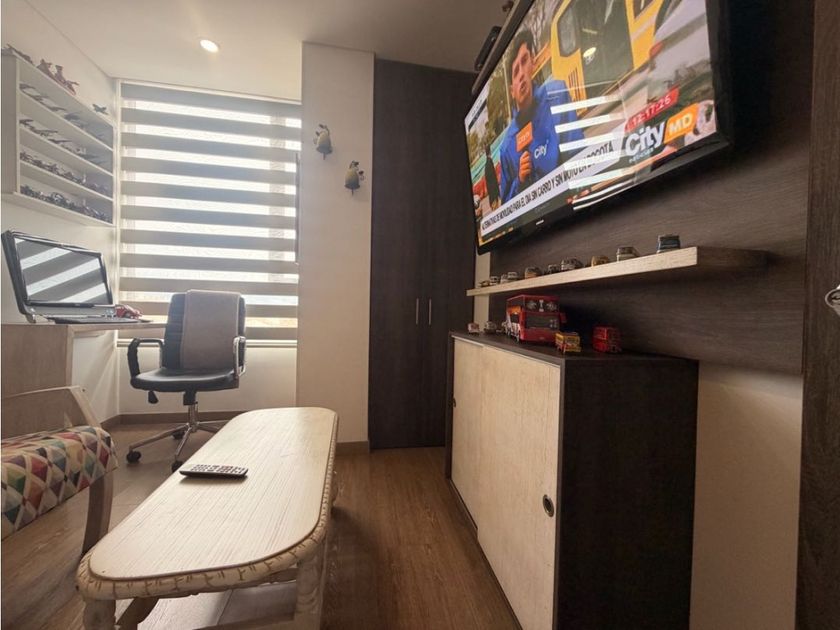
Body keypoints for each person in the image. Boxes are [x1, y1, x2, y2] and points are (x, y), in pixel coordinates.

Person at [498, 29, 584, 203]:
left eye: (524, 61)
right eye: (515, 71)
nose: (521, 74)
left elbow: (578, 153)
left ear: (533, 62)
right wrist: (520, 180)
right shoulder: (506, 147)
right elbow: (506, 206)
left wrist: (580, 189)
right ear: (511, 90)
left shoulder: (557, 95)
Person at [484, 144, 501, 210]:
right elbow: (493, 177)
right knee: (496, 207)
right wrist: (497, 191)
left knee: (495, 207)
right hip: (493, 190)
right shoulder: (489, 162)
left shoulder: (486, 164)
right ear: (490, 151)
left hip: (491, 191)